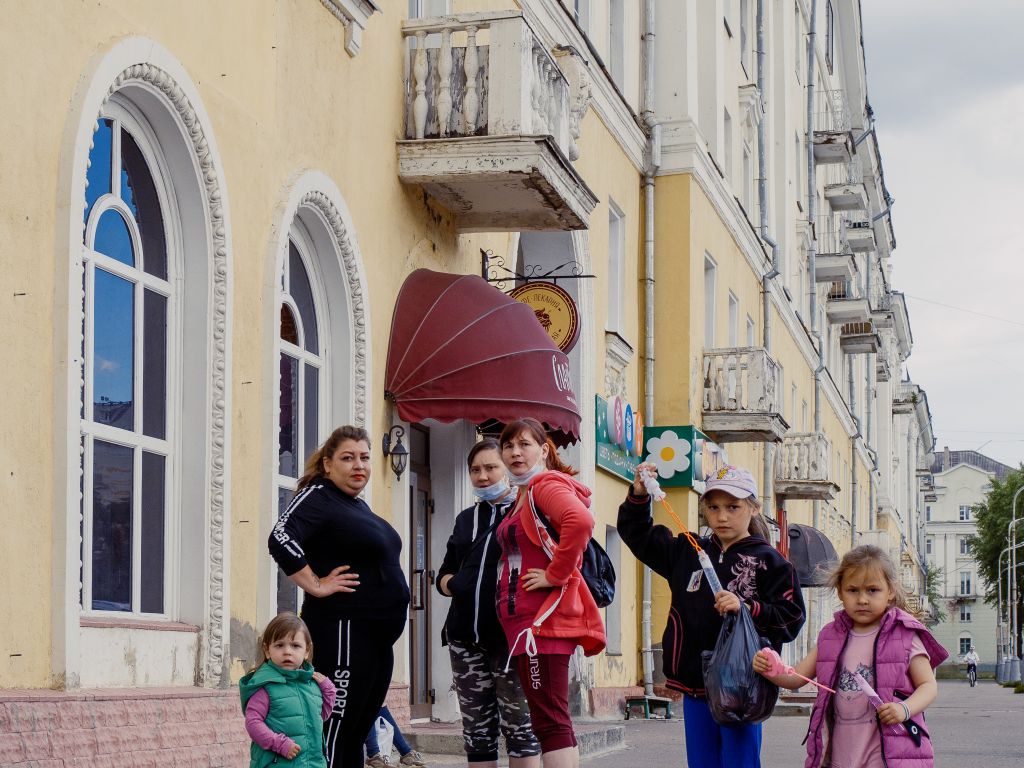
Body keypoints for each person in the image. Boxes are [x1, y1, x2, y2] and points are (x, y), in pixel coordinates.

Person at [617, 464, 805, 768]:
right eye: (714, 507)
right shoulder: (687, 550)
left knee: (739, 763)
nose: (722, 516)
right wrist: (639, 496)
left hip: (743, 684)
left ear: (754, 508)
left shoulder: (772, 562)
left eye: (733, 507)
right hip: (695, 683)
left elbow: (792, 617)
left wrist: (746, 607)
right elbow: (638, 536)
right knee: (702, 763)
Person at [269, 426, 411, 768]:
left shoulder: (354, 505)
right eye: (347, 458)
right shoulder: (319, 495)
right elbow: (280, 536)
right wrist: (315, 584)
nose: (358, 465)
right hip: (344, 633)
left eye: (364, 457)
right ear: (328, 464)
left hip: (375, 642)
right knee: (333, 731)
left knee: (356, 732)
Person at [753, 544, 948, 768]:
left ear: (890, 591)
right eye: (853, 590)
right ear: (840, 591)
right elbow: (797, 677)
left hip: (888, 751)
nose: (862, 599)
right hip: (841, 750)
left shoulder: (904, 635)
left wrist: (904, 710)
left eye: (872, 590)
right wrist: (770, 669)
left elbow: (928, 685)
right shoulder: (830, 636)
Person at [495, 418, 605, 768]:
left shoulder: (544, 486)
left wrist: (556, 574)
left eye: (524, 444)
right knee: (548, 720)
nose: (515, 452)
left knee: (551, 722)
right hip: (530, 626)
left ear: (543, 450)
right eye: (508, 445)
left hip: (543, 622)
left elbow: (580, 522)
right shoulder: (525, 493)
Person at [436, 438, 541, 768]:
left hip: (511, 640)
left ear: (508, 468)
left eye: (491, 468)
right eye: (475, 470)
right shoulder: (466, 519)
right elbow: (444, 573)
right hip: (465, 638)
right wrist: (455, 585)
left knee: (521, 730)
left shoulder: (528, 512)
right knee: (477, 733)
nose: (482, 476)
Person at [240, 612, 337, 768]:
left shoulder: (311, 685)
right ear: (267, 650)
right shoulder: (266, 686)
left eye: (295, 645)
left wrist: (329, 691)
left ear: (306, 651)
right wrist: (279, 743)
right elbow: (253, 723)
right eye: (279, 645)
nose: (287, 651)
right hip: (277, 763)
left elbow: (320, 718)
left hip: (313, 763)